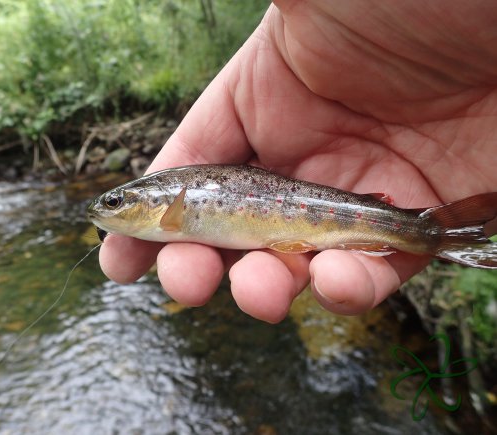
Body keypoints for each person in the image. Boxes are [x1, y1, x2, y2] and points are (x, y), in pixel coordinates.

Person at [99, 0, 497, 323]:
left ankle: (426, 231)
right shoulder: (167, 202)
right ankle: (427, 231)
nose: (106, 208)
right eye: (111, 203)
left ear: (150, 202)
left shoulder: (171, 208)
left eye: (115, 202)